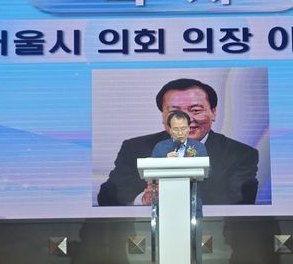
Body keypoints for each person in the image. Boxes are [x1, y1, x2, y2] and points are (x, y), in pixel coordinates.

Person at [97, 78, 258, 206]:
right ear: (163, 116)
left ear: (213, 112)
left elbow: (240, 200)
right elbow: (107, 196)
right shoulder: (135, 148)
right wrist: (144, 199)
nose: (185, 120)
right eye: (174, 112)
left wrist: (173, 193)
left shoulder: (241, 154)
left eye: (196, 110)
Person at [151, 109, 205, 264]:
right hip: (168, 208)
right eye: (176, 129)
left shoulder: (198, 147)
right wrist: (164, 162)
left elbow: (208, 172)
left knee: (193, 247)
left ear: (189, 128)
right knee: (169, 247)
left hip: (191, 206)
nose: (180, 133)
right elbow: (150, 172)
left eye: (183, 128)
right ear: (169, 129)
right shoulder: (160, 148)